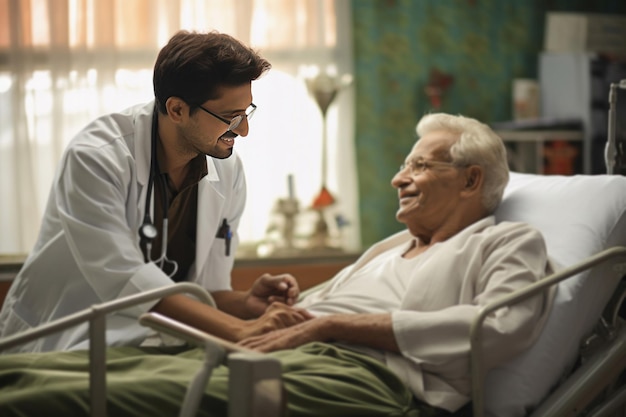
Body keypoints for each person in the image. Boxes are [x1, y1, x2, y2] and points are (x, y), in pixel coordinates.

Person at [0, 113, 556, 417]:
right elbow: (299, 314)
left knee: (65, 400)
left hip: (356, 376)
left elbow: (496, 329)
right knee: (47, 371)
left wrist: (331, 326)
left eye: (418, 165)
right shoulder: (390, 248)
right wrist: (259, 304)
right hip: (286, 350)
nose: (398, 178)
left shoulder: (505, 243)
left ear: (471, 179)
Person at [0, 30, 311, 354]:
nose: (244, 130)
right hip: (62, 338)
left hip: (148, 342)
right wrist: (242, 331)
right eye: (230, 117)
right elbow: (124, 282)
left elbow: (206, 293)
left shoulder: (227, 170)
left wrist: (245, 305)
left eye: (246, 112)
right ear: (177, 110)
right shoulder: (96, 158)